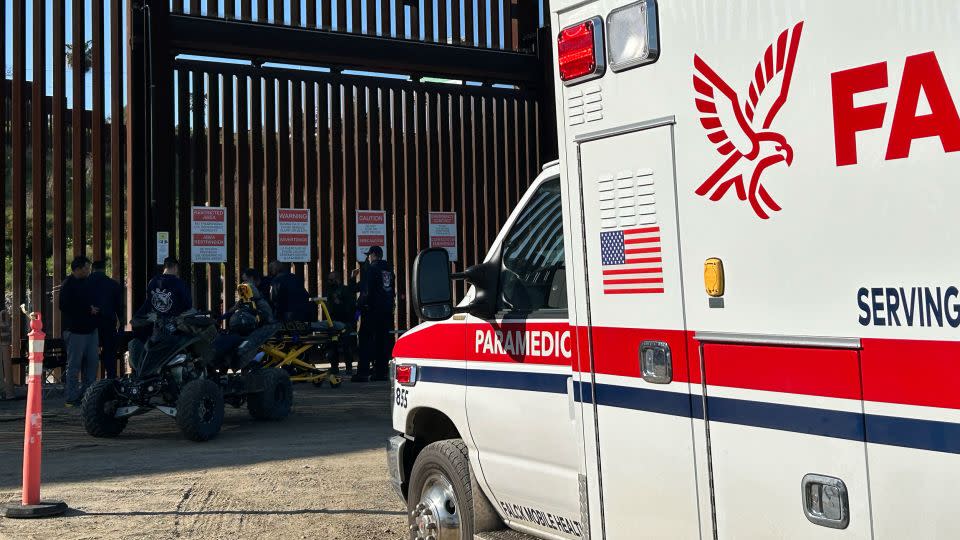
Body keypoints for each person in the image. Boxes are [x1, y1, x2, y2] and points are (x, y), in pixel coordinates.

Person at [59, 256, 100, 406]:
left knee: (92, 364)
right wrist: (87, 309)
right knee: (74, 365)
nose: (88, 271)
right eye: (86, 268)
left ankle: (87, 396)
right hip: (75, 331)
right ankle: (72, 397)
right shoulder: (68, 284)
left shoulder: (88, 283)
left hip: (91, 330)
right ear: (77, 269)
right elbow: (64, 306)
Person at [355, 246, 396, 382]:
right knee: (382, 341)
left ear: (373, 255)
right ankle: (381, 372)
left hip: (372, 310)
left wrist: (359, 307)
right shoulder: (389, 269)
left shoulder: (371, 269)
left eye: (368, 255)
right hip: (386, 310)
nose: (368, 257)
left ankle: (363, 373)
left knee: (365, 340)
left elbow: (366, 290)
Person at [88, 260, 124, 379]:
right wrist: (121, 324)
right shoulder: (113, 284)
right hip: (109, 323)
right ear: (104, 269)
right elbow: (119, 307)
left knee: (90, 355)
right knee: (110, 355)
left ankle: (90, 382)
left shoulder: (86, 283)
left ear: (92, 269)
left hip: (90, 325)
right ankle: (111, 380)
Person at [325, 270, 360, 375]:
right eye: (329, 280)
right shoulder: (330, 291)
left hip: (346, 322)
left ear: (337, 279)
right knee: (333, 344)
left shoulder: (345, 290)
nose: (329, 282)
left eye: (331, 280)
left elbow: (355, 307)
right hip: (334, 322)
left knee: (346, 345)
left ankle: (348, 366)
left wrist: (355, 320)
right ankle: (334, 367)